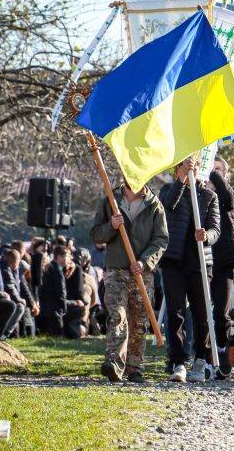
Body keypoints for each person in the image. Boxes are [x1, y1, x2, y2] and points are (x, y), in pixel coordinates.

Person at [93, 176, 168, 384]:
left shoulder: (154, 205)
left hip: (141, 273)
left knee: (138, 321)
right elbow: (96, 235)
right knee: (117, 316)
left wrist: (145, 262)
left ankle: (135, 367)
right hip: (116, 270)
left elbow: (161, 240)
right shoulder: (110, 200)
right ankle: (114, 363)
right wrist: (111, 225)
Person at [158, 154, 219, 383]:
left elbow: (216, 229)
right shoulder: (168, 190)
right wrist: (182, 179)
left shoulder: (208, 196)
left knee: (202, 311)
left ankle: (201, 359)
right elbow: (167, 206)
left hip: (200, 262)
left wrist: (206, 236)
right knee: (175, 313)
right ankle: (178, 361)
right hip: (173, 260)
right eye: (184, 167)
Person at [209, 159, 234, 372]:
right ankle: (204, 356)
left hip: (223, 261)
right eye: (210, 170)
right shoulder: (199, 195)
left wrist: (211, 172)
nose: (212, 174)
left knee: (221, 312)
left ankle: (223, 350)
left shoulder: (231, 196)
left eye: (218, 171)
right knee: (201, 311)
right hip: (201, 261)